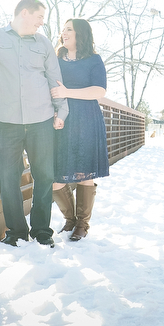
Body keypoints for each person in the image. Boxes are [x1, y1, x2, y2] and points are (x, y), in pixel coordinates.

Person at [0, 0, 68, 248]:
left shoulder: (44, 43)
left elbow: (55, 80)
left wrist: (62, 112)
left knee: (44, 175)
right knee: (7, 177)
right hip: (7, 121)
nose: (42, 22)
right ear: (25, 13)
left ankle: (41, 230)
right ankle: (16, 231)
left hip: (41, 119)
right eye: (39, 17)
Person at [50, 18, 109, 241]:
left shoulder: (94, 60)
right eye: (63, 30)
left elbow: (99, 90)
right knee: (57, 177)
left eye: (69, 30)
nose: (64, 33)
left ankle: (82, 224)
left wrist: (68, 92)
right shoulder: (56, 59)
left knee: (85, 173)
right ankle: (70, 220)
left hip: (86, 119)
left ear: (80, 34)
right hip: (61, 120)